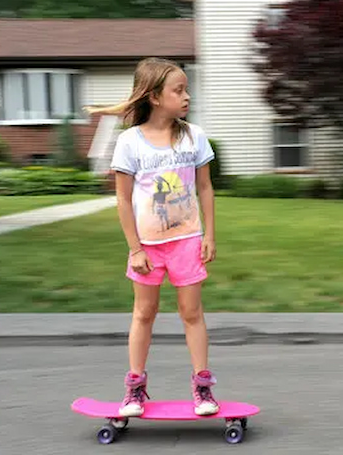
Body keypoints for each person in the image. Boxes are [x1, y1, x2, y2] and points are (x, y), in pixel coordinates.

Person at [101, 57, 219, 417]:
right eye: (178, 90)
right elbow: (122, 199)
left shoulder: (194, 136)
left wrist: (210, 235)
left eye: (186, 89)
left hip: (187, 240)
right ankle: (134, 388)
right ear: (154, 96)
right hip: (147, 248)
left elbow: (205, 187)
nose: (186, 96)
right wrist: (134, 248)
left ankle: (202, 386)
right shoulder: (129, 142)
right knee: (144, 313)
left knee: (192, 313)